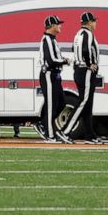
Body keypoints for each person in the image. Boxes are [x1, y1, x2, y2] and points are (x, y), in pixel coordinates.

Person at [62, 11, 101, 144]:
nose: (96, 23)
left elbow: (74, 49)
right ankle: (65, 131)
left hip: (79, 69)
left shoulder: (78, 34)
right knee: (83, 102)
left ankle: (90, 135)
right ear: (89, 22)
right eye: (94, 21)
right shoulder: (88, 34)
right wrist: (91, 64)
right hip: (85, 70)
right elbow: (86, 50)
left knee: (87, 104)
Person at [38, 15, 72, 144]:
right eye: (58, 24)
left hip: (55, 75)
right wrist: (65, 61)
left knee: (61, 103)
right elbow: (51, 60)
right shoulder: (47, 39)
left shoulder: (52, 39)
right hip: (49, 75)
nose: (60, 26)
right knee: (52, 105)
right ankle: (49, 135)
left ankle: (43, 125)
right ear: (52, 26)